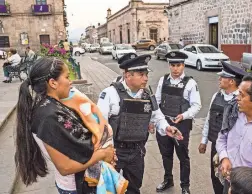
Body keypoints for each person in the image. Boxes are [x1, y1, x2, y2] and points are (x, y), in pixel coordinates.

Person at [14, 57, 116, 194]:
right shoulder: (48, 116)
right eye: (67, 77)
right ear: (53, 83)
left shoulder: (54, 105)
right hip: (75, 186)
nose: (70, 81)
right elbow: (65, 167)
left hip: (83, 181)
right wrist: (103, 154)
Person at [97, 54, 183, 194]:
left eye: (146, 74)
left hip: (137, 152)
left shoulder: (147, 95)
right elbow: (101, 126)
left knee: (134, 187)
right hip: (115, 152)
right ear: (128, 75)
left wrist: (166, 127)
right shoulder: (110, 94)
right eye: (141, 74)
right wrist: (108, 153)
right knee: (110, 189)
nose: (146, 78)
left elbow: (157, 116)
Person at [155, 51, 202, 194]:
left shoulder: (190, 83)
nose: (175, 69)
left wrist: (184, 115)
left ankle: (185, 186)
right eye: (173, 65)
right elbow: (156, 102)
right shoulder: (163, 80)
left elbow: (196, 105)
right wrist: (154, 121)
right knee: (166, 154)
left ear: (183, 65)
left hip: (181, 124)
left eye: (179, 65)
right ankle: (168, 180)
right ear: (169, 66)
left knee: (183, 156)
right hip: (164, 123)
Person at [198, 61, 247, 194]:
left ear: (231, 81)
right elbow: (209, 118)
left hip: (233, 149)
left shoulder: (241, 100)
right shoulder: (216, 96)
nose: (219, 79)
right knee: (215, 176)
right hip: (216, 145)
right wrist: (204, 140)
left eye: (222, 77)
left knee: (231, 180)